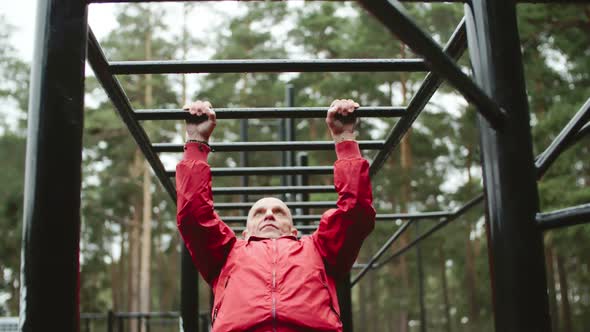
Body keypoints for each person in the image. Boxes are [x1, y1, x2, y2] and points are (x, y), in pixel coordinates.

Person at [176, 99, 376, 332]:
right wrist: (197, 142)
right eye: (259, 212)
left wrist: (344, 139)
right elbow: (193, 215)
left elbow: (356, 213)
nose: (269, 214)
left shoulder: (318, 250)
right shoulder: (226, 253)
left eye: (279, 212)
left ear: (294, 231)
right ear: (246, 232)